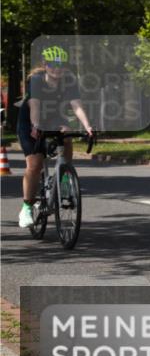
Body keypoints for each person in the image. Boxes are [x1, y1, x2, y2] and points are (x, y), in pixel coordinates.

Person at [17, 46, 94, 228]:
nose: (57, 68)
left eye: (61, 65)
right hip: (29, 121)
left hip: (53, 117)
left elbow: (76, 105)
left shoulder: (68, 80)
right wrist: (35, 126)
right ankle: (26, 207)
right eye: (52, 64)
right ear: (45, 65)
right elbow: (34, 105)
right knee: (35, 165)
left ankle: (65, 175)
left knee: (66, 134)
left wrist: (88, 126)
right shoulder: (36, 80)